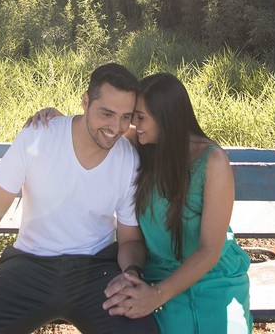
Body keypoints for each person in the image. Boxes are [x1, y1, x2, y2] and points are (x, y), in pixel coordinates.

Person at [0, 62, 159, 334]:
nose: (115, 127)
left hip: (95, 271)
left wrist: (131, 274)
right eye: (106, 113)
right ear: (85, 101)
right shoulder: (39, 136)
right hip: (29, 266)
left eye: (124, 117)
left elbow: (129, 240)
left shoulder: (127, 159)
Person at [31, 72, 253, 333]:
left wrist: (156, 296)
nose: (133, 125)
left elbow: (209, 250)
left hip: (213, 276)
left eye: (140, 117)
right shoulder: (140, 143)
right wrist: (62, 121)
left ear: (166, 119)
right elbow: (95, 132)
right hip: (156, 272)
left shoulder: (213, 163)